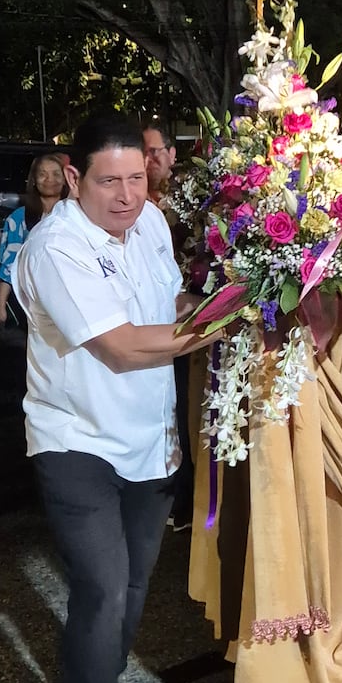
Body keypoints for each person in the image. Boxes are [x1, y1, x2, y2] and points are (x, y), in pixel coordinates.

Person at [15, 112, 200, 683]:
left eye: (136, 177)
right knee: (102, 585)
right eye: (108, 180)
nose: (126, 194)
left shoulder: (149, 222)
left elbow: (171, 300)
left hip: (150, 438)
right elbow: (121, 346)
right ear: (73, 176)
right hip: (76, 439)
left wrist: (209, 299)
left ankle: (95, 680)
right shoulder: (55, 247)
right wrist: (223, 318)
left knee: (133, 587)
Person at [143, 118, 194, 533]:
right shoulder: (129, 203)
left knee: (187, 412)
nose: (148, 162)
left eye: (155, 152)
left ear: (172, 154)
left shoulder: (190, 200)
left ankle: (188, 498)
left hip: (187, 319)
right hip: (147, 325)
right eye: (141, 153)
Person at [0, 154, 69, 327]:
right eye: (42, 174)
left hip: (69, 301)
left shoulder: (76, 214)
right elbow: (10, 263)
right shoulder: (19, 218)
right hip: (33, 304)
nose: (50, 179)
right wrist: (0, 304)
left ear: (66, 179)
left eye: (56, 174)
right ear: (33, 180)